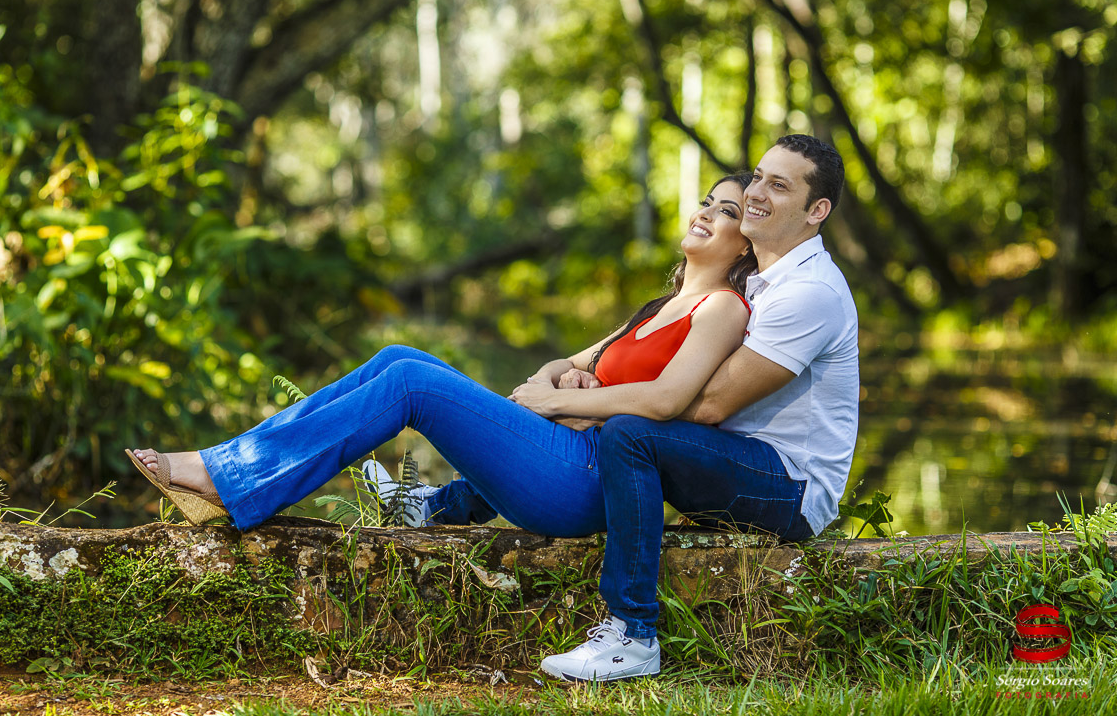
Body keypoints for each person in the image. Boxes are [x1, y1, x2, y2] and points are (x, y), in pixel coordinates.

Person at [125, 172, 759, 539]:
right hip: (563, 448)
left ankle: (230, 479)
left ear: (744, 242)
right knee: (400, 355)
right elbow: (554, 366)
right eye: (708, 200)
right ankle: (237, 467)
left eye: (726, 211)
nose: (706, 213)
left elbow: (671, 401)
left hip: (592, 480)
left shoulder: (723, 309)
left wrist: (561, 397)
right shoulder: (659, 306)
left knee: (411, 382)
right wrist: (561, 380)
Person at [536, 134, 860, 682]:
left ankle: (633, 636)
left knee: (630, 434)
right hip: (741, 458)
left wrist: (589, 405)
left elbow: (706, 405)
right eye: (758, 176)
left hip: (791, 487)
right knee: (622, 427)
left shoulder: (810, 292)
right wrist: (595, 387)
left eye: (779, 186)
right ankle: (440, 505)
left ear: (817, 210)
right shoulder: (760, 280)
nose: (757, 192)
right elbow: (674, 378)